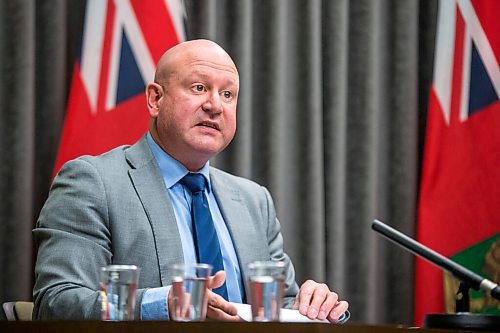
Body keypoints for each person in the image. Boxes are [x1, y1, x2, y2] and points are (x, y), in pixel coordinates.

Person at [33, 39, 349, 321]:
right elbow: (56, 303)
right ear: (155, 99)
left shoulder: (254, 201)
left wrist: (314, 306)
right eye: (199, 88)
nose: (214, 105)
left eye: (227, 94)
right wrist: (162, 304)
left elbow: (280, 306)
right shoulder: (93, 182)